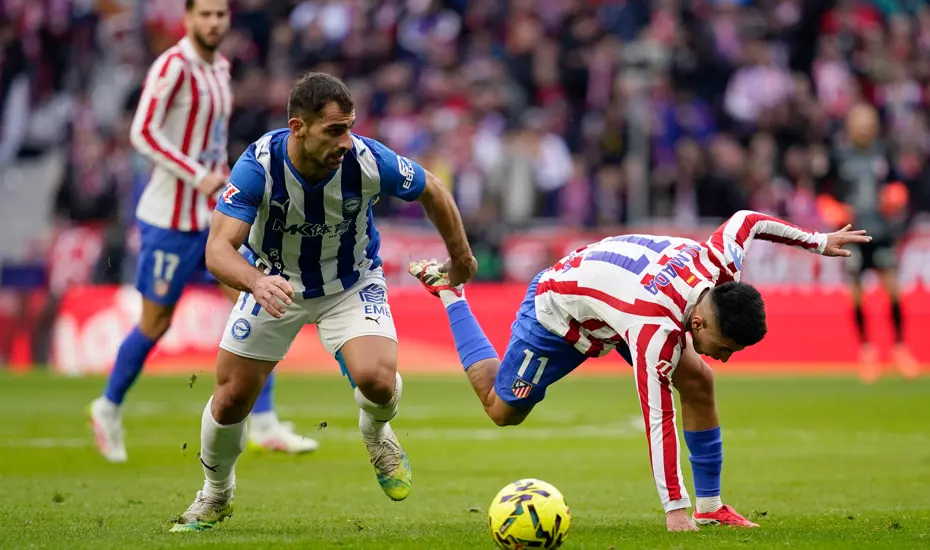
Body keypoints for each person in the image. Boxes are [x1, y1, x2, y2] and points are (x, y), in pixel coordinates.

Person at [409, 211, 870, 532]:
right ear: (699, 323)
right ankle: (453, 294)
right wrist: (674, 508)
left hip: (616, 305)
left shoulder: (721, 268)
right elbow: (658, 418)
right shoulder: (654, 331)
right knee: (501, 409)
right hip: (559, 314)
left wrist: (817, 241)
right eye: (723, 347)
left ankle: (710, 508)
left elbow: (747, 220)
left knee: (699, 380)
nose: (723, 357)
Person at [170, 72, 476, 532]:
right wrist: (255, 281)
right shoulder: (259, 166)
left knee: (376, 380)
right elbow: (217, 250)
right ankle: (216, 494)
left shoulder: (368, 160)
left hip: (351, 282)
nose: (347, 142)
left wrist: (461, 257)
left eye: (350, 127)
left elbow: (431, 187)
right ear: (298, 128)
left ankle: (375, 433)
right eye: (335, 130)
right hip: (275, 284)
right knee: (231, 399)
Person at [88, 0, 317, 463]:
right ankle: (107, 406)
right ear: (189, 18)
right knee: (156, 323)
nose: (213, 22)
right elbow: (143, 132)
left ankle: (267, 421)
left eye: (220, 14)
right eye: (205, 14)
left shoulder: (221, 68)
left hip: (214, 217)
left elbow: (210, 139)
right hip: (169, 220)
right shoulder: (173, 66)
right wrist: (196, 174)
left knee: (256, 304)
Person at [821, 103, 919, 383]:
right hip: (851, 233)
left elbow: (898, 185)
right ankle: (867, 351)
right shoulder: (838, 156)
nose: (865, 127)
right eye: (860, 122)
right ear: (850, 126)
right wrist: (830, 207)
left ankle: (900, 349)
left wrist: (896, 196)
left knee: (893, 288)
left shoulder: (883, 152)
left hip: (881, 231)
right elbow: (823, 189)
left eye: (869, 122)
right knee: (855, 292)